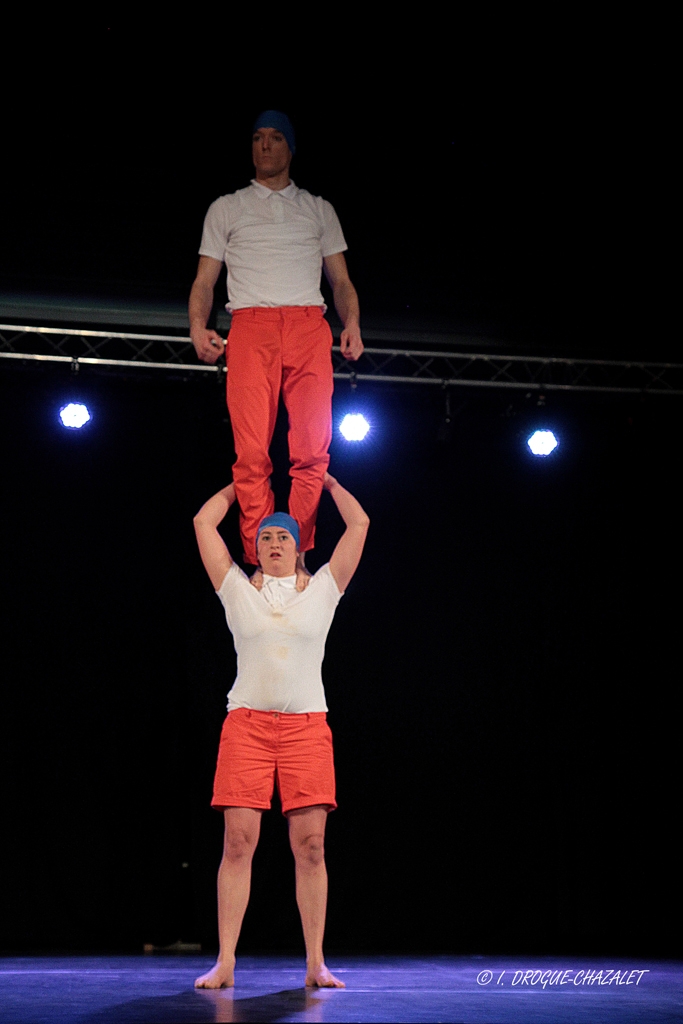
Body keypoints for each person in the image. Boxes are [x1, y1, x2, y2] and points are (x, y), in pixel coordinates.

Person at [192, 472, 369, 989]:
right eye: (265, 536)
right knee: (238, 842)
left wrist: (327, 481)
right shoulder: (235, 590)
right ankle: (226, 961)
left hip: (306, 729)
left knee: (311, 845)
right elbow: (203, 522)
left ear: (298, 549)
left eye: (283, 537)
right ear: (255, 547)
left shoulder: (323, 591)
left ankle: (315, 962)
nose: (273, 543)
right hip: (246, 725)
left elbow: (359, 522)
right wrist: (238, 484)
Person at [189, 110, 363, 571]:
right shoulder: (227, 207)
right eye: (257, 138)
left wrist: (353, 322)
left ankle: (297, 554)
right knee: (251, 453)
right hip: (251, 325)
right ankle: (259, 560)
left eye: (274, 138)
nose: (264, 146)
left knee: (311, 451)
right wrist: (196, 325)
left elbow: (341, 281)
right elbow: (205, 281)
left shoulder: (317, 208)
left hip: (308, 325)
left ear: (290, 147)